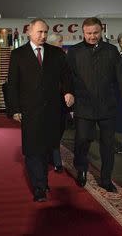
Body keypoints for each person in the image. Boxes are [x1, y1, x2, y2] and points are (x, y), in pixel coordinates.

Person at [7, 18, 74, 202]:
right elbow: (12, 84)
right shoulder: (18, 55)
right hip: (30, 111)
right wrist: (14, 109)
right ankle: (39, 187)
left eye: (45, 32)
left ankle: (42, 181)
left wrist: (68, 91)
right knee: (32, 150)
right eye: (39, 32)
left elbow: (67, 75)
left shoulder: (56, 54)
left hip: (53, 110)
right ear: (29, 31)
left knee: (46, 149)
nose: (43, 36)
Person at [67, 17, 122, 192]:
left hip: (107, 106)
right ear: (83, 32)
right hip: (83, 105)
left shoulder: (111, 51)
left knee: (107, 145)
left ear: (101, 31)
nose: (92, 36)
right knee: (82, 140)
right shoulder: (74, 52)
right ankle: (81, 169)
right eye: (89, 33)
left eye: (96, 32)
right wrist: (68, 94)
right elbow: (68, 77)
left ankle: (106, 179)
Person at [46, 32, 67, 173]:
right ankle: (56, 160)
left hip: (62, 100)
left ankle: (51, 153)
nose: (62, 45)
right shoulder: (44, 58)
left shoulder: (63, 57)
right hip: (49, 101)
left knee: (60, 128)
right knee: (53, 130)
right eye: (60, 42)